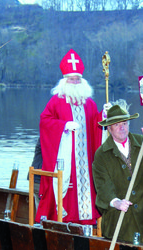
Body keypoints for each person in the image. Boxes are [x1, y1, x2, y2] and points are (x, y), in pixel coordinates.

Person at [36, 48, 107, 225]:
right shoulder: (56, 101)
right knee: (66, 194)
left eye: (77, 79)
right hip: (66, 161)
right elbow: (45, 122)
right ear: (65, 81)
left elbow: (95, 127)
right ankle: (62, 222)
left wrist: (103, 116)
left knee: (85, 193)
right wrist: (63, 126)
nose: (75, 82)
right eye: (71, 79)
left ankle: (87, 224)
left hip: (85, 162)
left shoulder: (89, 103)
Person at [92, 100, 143, 245]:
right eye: (117, 125)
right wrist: (115, 202)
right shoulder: (101, 155)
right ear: (109, 128)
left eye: (124, 123)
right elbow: (102, 186)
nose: (122, 127)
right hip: (120, 223)